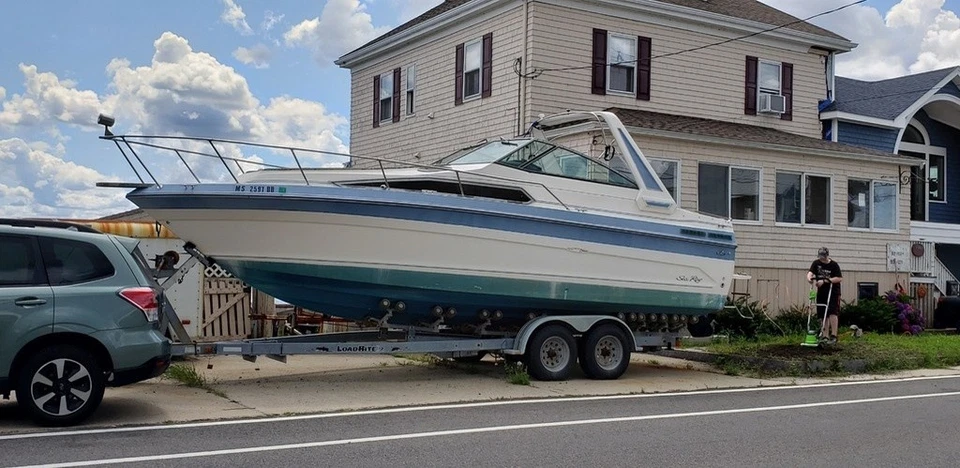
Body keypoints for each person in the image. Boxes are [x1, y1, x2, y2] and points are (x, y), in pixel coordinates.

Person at [807, 247, 842, 344]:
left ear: (827, 256)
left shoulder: (834, 265)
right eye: (820, 257)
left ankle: (834, 335)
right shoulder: (816, 263)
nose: (821, 259)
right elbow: (810, 273)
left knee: (832, 312)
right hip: (821, 291)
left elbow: (839, 278)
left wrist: (826, 281)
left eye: (823, 257)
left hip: (833, 291)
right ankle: (825, 335)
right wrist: (810, 278)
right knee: (822, 313)